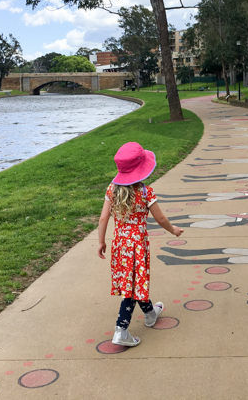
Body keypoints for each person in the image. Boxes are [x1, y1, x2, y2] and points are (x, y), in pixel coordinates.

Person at [97, 142, 183, 347]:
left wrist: (101, 241)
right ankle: (121, 329)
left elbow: (103, 219)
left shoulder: (112, 190)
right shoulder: (145, 192)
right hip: (137, 245)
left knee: (134, 282)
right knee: (133, 287)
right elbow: (160, 219)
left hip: (120, 245)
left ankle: (150, 314)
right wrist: (173, 230)